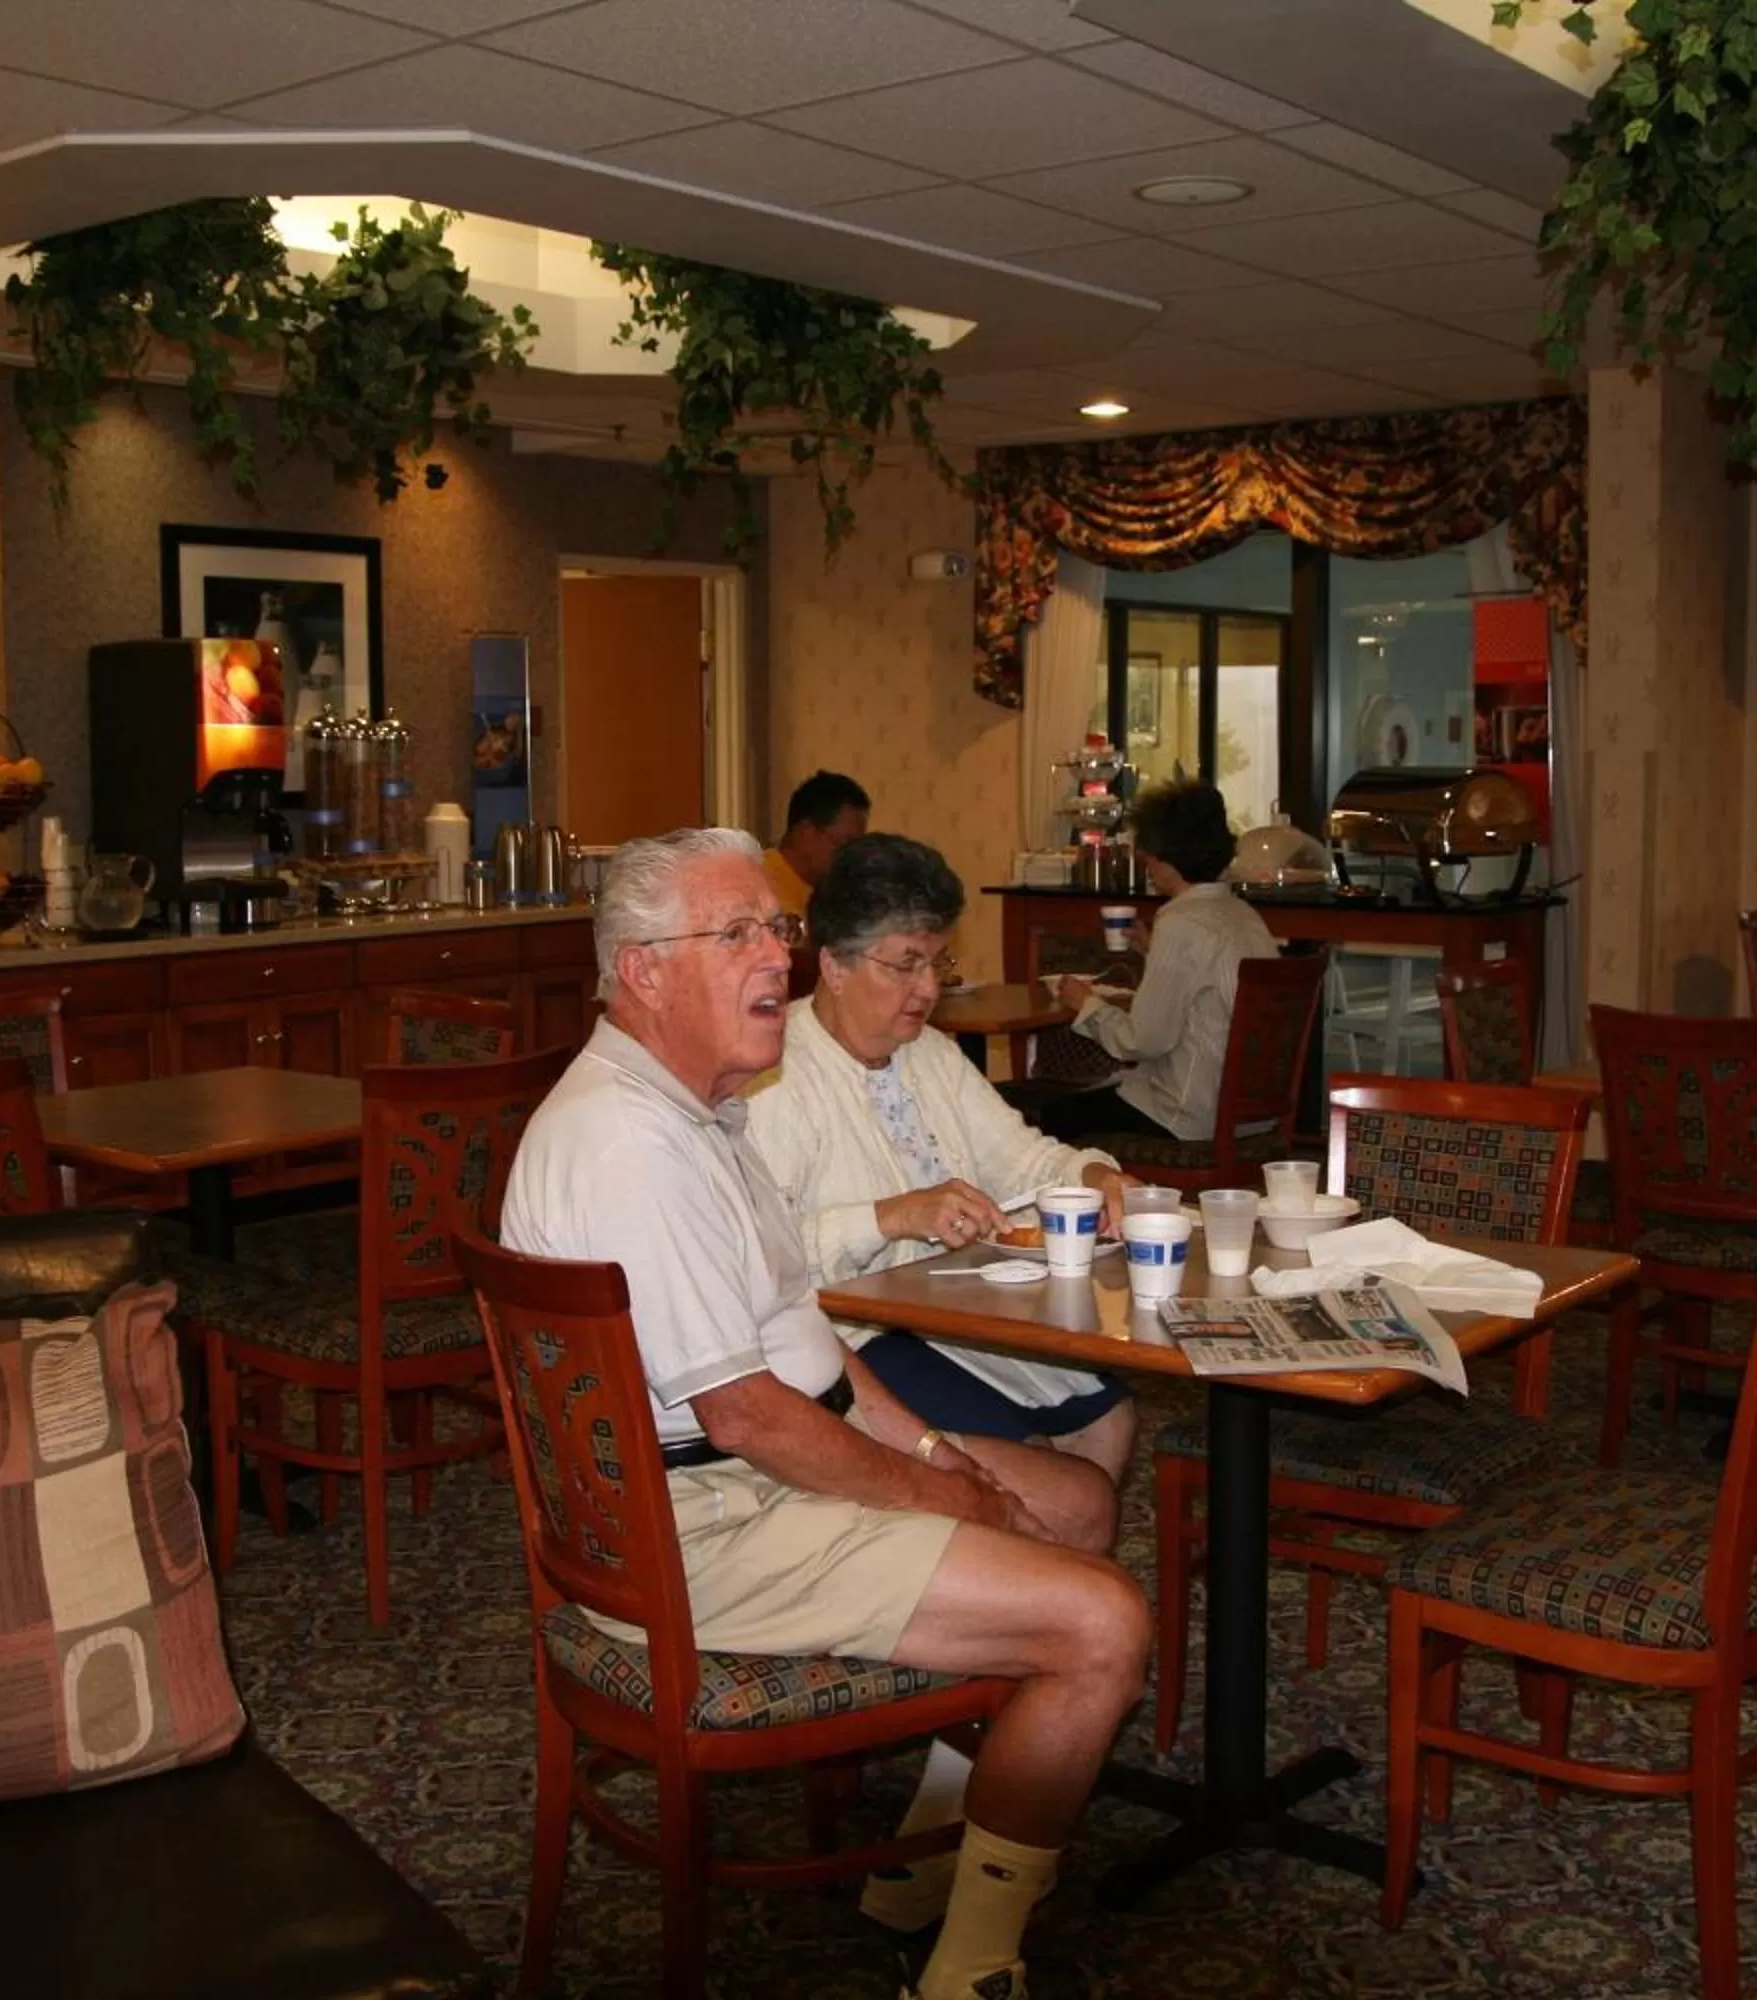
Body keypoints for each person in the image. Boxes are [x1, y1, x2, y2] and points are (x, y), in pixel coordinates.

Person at [502, 827, 1149, 2000]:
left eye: (777, 928)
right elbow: (749, 1413)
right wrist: (939, 1490)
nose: (778, 958)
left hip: (724, 1482)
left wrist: (944, 1450)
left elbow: (823, 1363)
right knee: (1103, 1620)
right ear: (643, 970)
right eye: (738, 932)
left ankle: (938, 1857)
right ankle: (971, 1971)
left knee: (1073, 1497)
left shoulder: (708, 1114)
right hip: (691, 1530)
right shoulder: (628, 1143)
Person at [750, 833, 1138, 1554]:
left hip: (953, 1310)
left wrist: (1094, 1176)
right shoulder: (777, 1078)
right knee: (1053, 1481)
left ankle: (1047, 1601)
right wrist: (890, 1217)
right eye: (905, 965)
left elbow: (1020, 1159)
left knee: (1108, 1420)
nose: (928, 988)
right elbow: (758, 1262)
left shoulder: (927, 1054)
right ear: (833, 966)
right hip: (851, 1336)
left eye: (936, 962)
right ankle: (1026, 1598)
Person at [1029, 779, 1278, 1145]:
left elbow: (1142, 1041)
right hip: (1253, 1115)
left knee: (1054, 1117)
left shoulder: (1180, 921)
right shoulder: (1244, 915)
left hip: (1190, 1117)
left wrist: (1087, 1005)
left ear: (1161, 855)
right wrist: (1153, 951)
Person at [763, 769, 869, 917]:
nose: (851, 858)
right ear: (806, 833)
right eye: (845, 845)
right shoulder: (758, 883)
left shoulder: (833, 895)